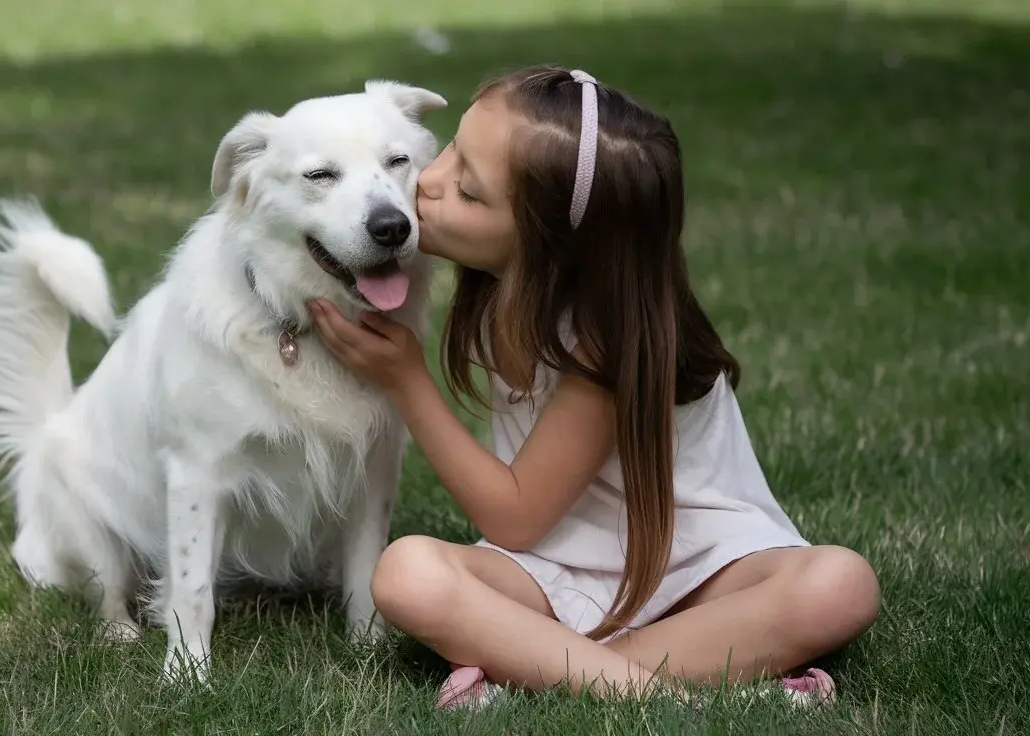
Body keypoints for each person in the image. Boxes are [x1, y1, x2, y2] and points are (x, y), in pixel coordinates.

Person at [306, 65, 880, 710]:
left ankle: (558, 670)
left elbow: (514, 516)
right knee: (409, 573)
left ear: (549, 248)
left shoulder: (608, 338)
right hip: (555, 572)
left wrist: (406, 381)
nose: (427, 184)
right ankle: (659, 681)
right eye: (450, 153)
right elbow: (529, 540)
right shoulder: (506, 290)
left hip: (698, 566)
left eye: (467, 191)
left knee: (841, 583)